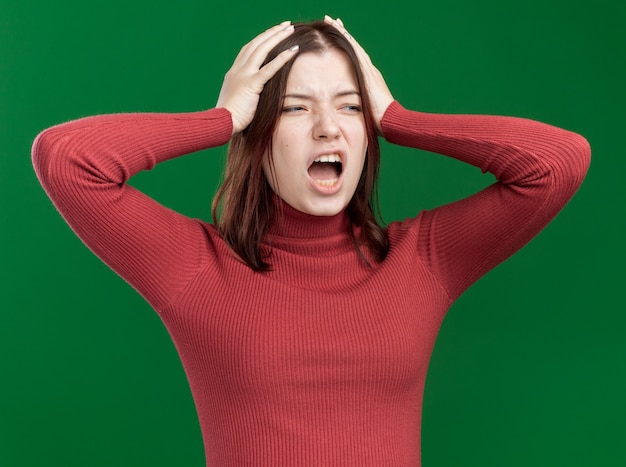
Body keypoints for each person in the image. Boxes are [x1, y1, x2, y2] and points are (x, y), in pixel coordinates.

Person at [32, 16, 590, 467]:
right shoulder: (198, 268)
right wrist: (222, 118)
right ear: (259, 131)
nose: (329, 127)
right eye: (297, 108)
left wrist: (398, 117)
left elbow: (557, 162)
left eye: (350, 106)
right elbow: (68, 159)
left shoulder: (421, 259)